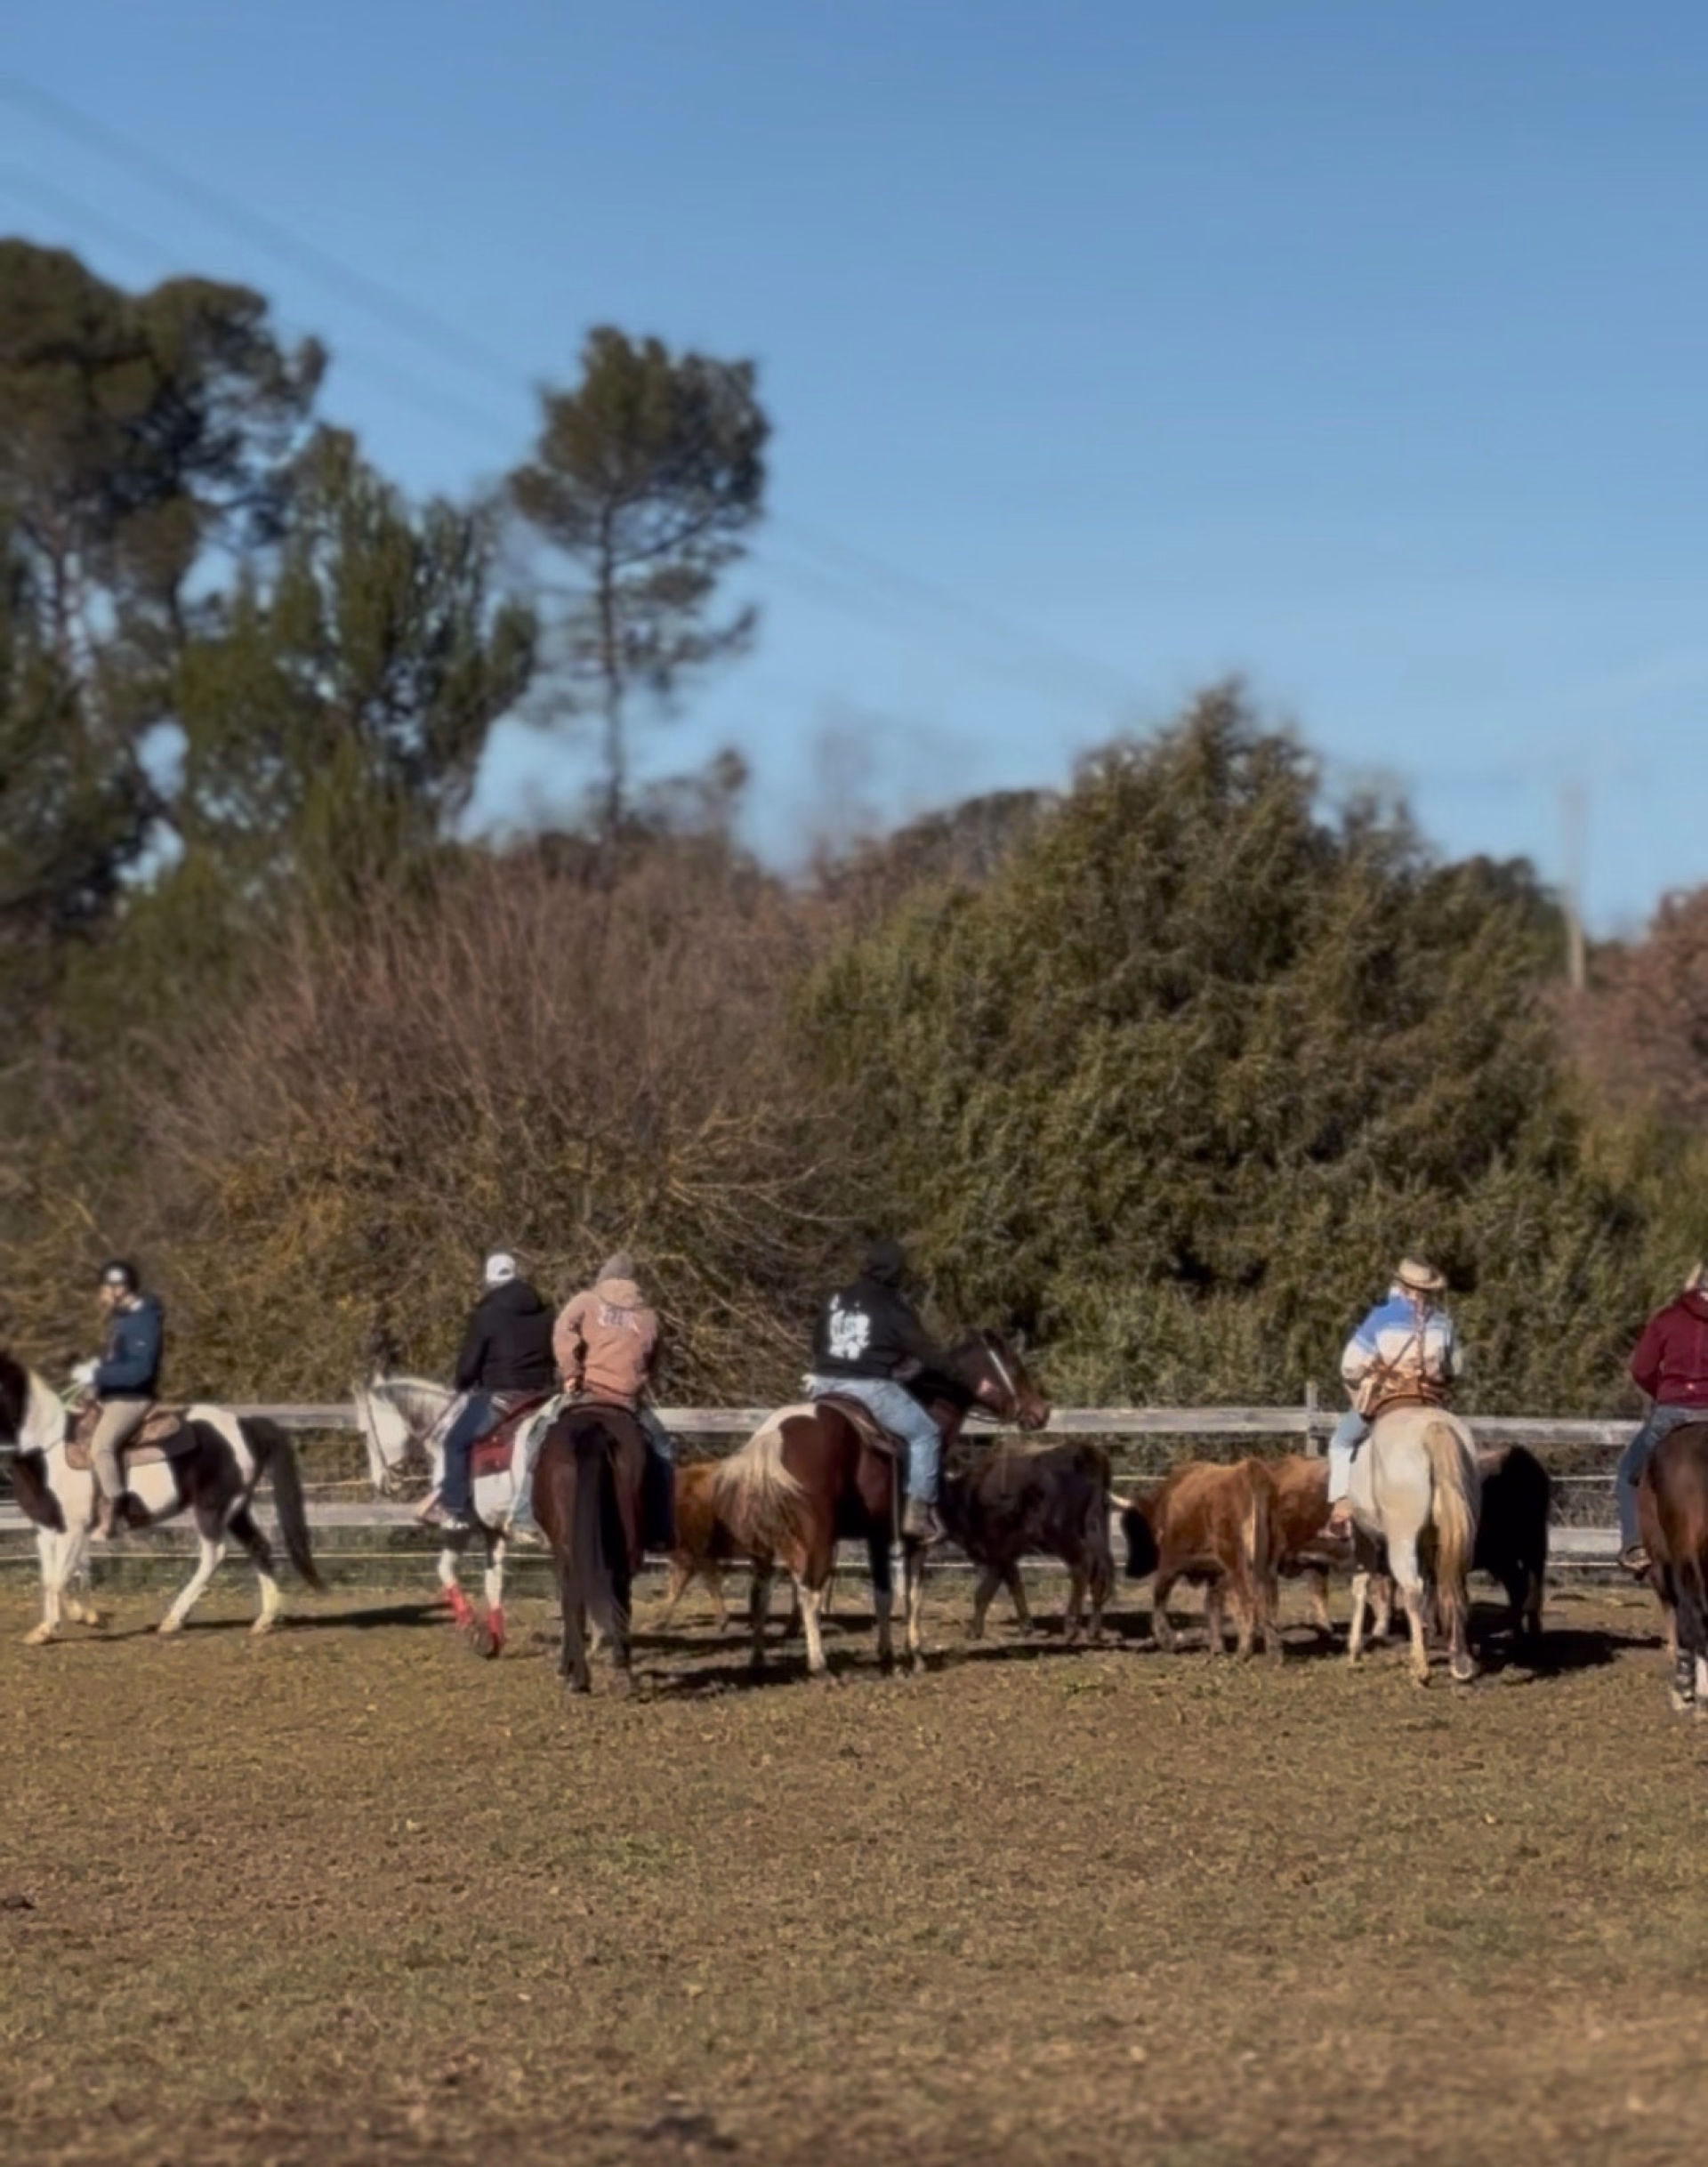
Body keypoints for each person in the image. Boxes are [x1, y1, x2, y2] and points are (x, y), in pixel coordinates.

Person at [505, 1253, 675, 1549]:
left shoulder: (587, 1301)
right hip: (627, 1402)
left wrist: (571, 1372)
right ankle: (661, 1527)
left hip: (588, 1391)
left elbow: (562, 1330)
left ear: (604, 1277)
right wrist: (640, 1381)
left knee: (538, 1434)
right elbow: (655, 1360)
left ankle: (523, 1516)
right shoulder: (648, 1316)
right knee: (662, 1449)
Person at [806, 1237, 954, 1544]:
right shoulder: (892, 1305)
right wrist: (950, 1369)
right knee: (926, 1433)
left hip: (822, 1385)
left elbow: (817, 1344)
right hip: (869, 1388)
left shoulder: (835, 1298)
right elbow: (925, 1353)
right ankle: (918, 1512)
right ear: (895, 1272)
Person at [420, 1252, 555, 1532]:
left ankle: (456, 1510)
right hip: (541, 1395)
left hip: (501, 1396)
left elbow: (469, 1364)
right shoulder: (545, 1311)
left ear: (489, 1281)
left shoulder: (487, 1314)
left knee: (455, 1441)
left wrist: (461, 1384)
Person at [1323, 1258, 1458, 1535]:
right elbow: (1456, 1368)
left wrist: (1361, 1380)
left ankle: (1342, 1508)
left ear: (1401, 1285)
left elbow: (1350, 1363)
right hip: (1431, 1401)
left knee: (1342, 1441)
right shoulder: (1443, 1323)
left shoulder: (1381, 1318)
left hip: (1389, 1397)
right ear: (1429, 1289)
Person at [1615, 1265, 1708, 1573]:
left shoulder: (1668, 1318)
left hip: (1671, 1413)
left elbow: (1642, 1368)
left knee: (1629, 1472)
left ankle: (1634, 1545)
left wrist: (1665, 1393)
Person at [70, 1260, 165, 1541]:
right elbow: (117, 1363)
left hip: (132, 1398)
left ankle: (119, 1508)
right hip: (111, 1396)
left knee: (101, 1446)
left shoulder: (144, 1321)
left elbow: (140, 1370)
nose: (101, 1295)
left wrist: (97, 1373)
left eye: (104, 1288)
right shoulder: (123, 1320)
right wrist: (92, 1381)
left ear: (118, 1288)